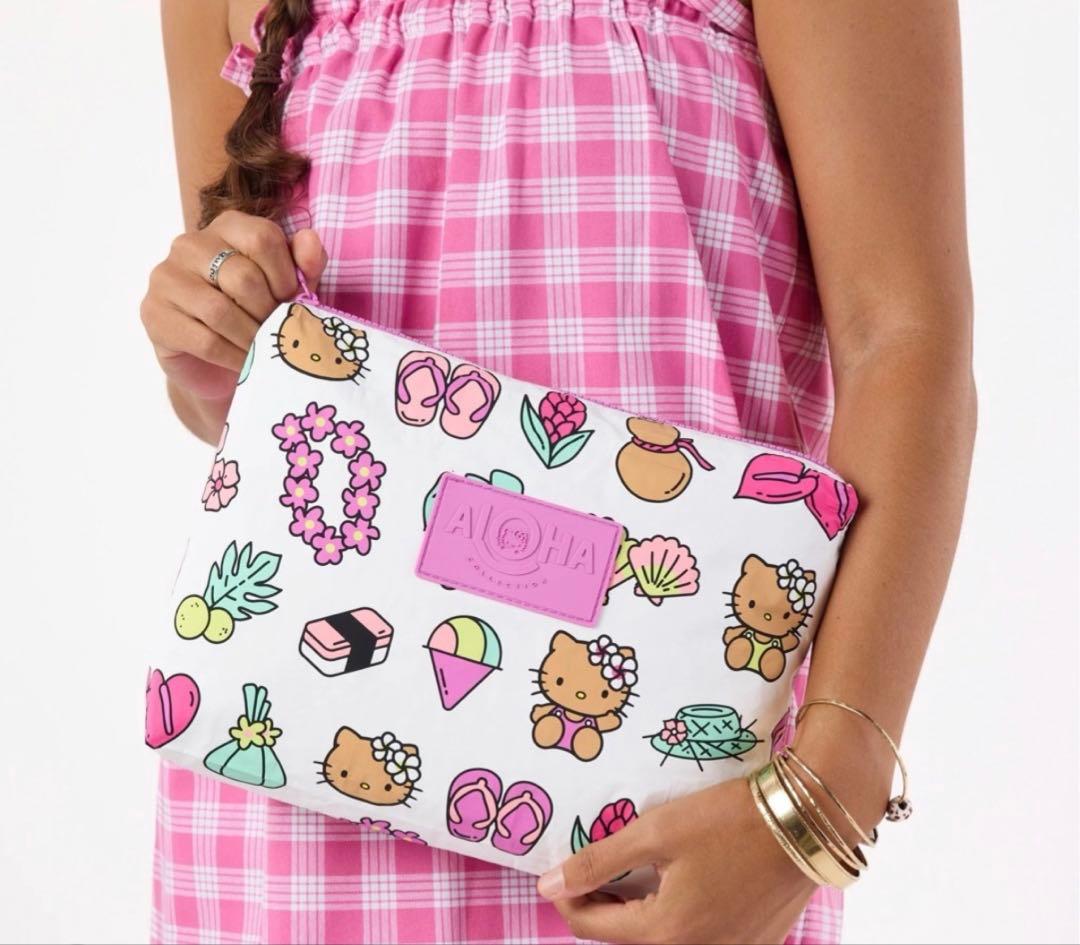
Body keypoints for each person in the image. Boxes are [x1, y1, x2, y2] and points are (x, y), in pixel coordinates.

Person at [141, 0, 976, 941]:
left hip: (674, 831)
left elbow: (901, 339)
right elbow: (259, 394)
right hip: (290, 795)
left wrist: (823, 801)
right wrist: (205, 338)